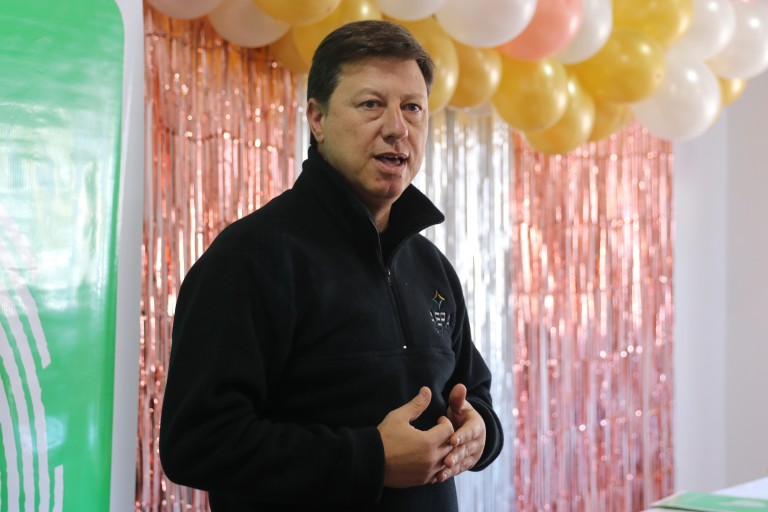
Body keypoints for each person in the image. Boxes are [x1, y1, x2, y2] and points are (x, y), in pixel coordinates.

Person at [159, 19, 503, 511]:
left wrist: (481, 431)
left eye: (412, 107)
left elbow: (475, 391)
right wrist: (371, 458)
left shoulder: (432, 267)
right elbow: (196, 442)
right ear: (317, 119)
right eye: (371, 104)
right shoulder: (249, 258)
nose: (397, 127)